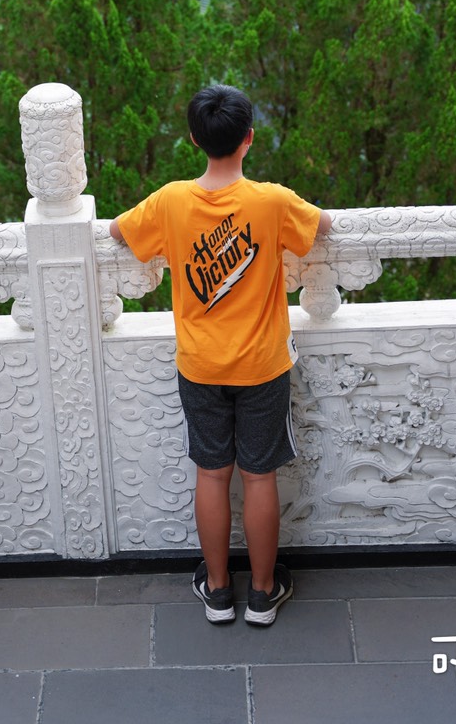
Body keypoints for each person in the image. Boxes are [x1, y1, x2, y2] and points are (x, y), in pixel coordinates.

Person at [110, 83, 332, 626]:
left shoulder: (170, 201)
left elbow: (118, 233)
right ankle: (261, 592)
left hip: (200, 365)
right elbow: (324, 227)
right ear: (249, 140)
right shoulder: (272, 201)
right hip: (262, 366)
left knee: (211, 475)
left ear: (194, 139)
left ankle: (215, 589)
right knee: (259, 478)